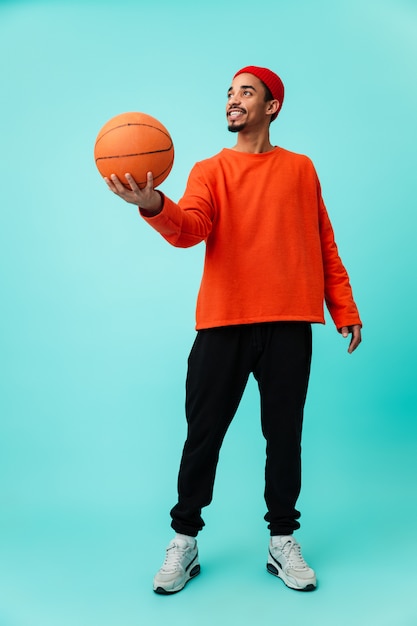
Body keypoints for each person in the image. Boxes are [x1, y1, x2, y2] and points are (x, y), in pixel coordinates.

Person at [105, 65, 362, 595]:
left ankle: (282, 539)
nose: (232, 100)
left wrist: (345, 308)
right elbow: (191, 228)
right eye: (229, 93)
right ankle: (184, 539)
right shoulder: (209, 170)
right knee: (203, 436)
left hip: (290, 322)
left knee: (283, 436)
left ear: (272, 107)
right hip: (223, 323)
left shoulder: (301, 169)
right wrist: (152, 203)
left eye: (246, 92)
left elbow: (324, 242)